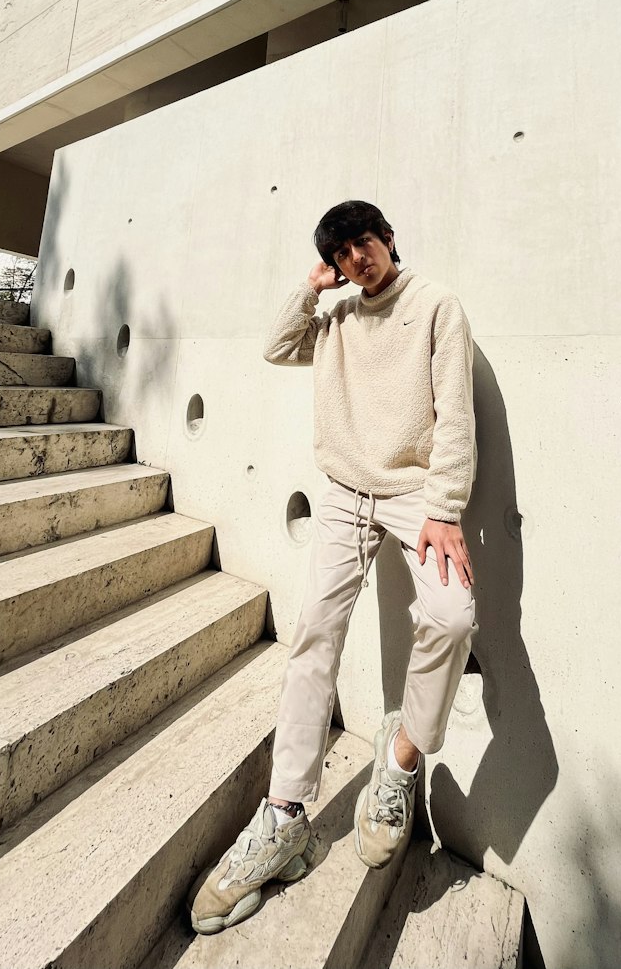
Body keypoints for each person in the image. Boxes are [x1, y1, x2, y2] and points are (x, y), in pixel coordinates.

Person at [188, 200, 477, 935]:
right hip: (346, 491)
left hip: (417, 494)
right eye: (343, 252)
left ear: (388, 236)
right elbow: (277, 346)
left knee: (452, 614)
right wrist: (312, 285)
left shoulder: (436, 303)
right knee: (315, 630)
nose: (357, 258)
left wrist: (444, 505)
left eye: (364, 242)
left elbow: (456, 413)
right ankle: (284, 815)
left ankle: (401, 760)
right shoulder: (339, 317)